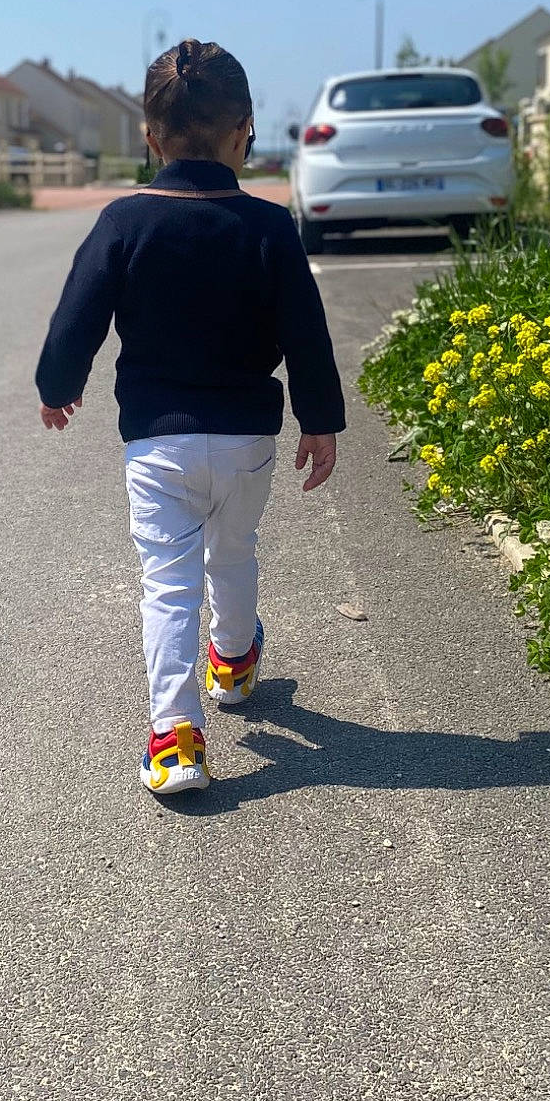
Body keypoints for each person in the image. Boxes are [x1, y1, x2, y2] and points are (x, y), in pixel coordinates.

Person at [36, 39, 346, 797]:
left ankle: (175, 738)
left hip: (158, 441)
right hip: (246, 440)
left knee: (168, 584)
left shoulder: (123, 222)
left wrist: (57, 385)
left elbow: (76, 317)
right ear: (245, 130)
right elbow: (306, 332)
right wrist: (320, 418)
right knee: (233, 553)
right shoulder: (269, 228)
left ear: (150, 137)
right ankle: (233, 665)